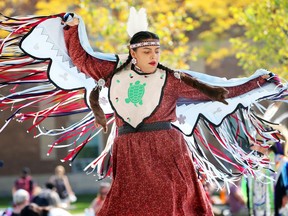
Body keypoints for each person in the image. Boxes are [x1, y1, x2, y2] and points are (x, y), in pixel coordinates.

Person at [60, 9, 284, 215]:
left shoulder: (171, 79)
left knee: (171, 202)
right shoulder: (113, 72)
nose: (153, 56)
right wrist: (73, 27)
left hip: (166, 147)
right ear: (133, 52)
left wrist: (257, 83)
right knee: (128, 204)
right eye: (147, 51)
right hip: (129, 147)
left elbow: (218, 92)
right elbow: (82, 59)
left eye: (157, 51)